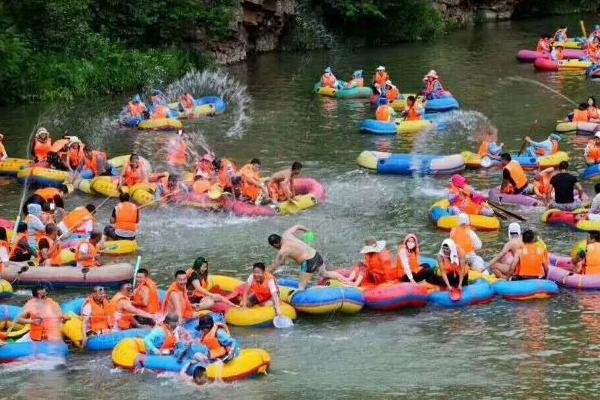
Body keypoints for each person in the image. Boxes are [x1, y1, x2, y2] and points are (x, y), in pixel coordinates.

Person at [267, 225, 350, 290]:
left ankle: (327, 289)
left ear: (275, 244)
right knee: (325, 273)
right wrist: (307, 230)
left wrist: (267, 273)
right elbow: (297, 226)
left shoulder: (283, 250)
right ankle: (348, 282)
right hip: (316, 254)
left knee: (301, 288)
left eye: (274, 247)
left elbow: (276, 265)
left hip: (308, 262)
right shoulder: (286, 234)